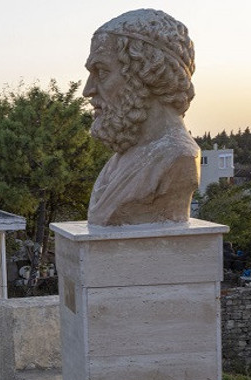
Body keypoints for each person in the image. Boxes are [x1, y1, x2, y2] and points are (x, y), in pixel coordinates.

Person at [84, 9, 199, 226]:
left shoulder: (178, 158)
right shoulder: (123, 159)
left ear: (148, 74)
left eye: (102, 72)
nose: (88, 90)